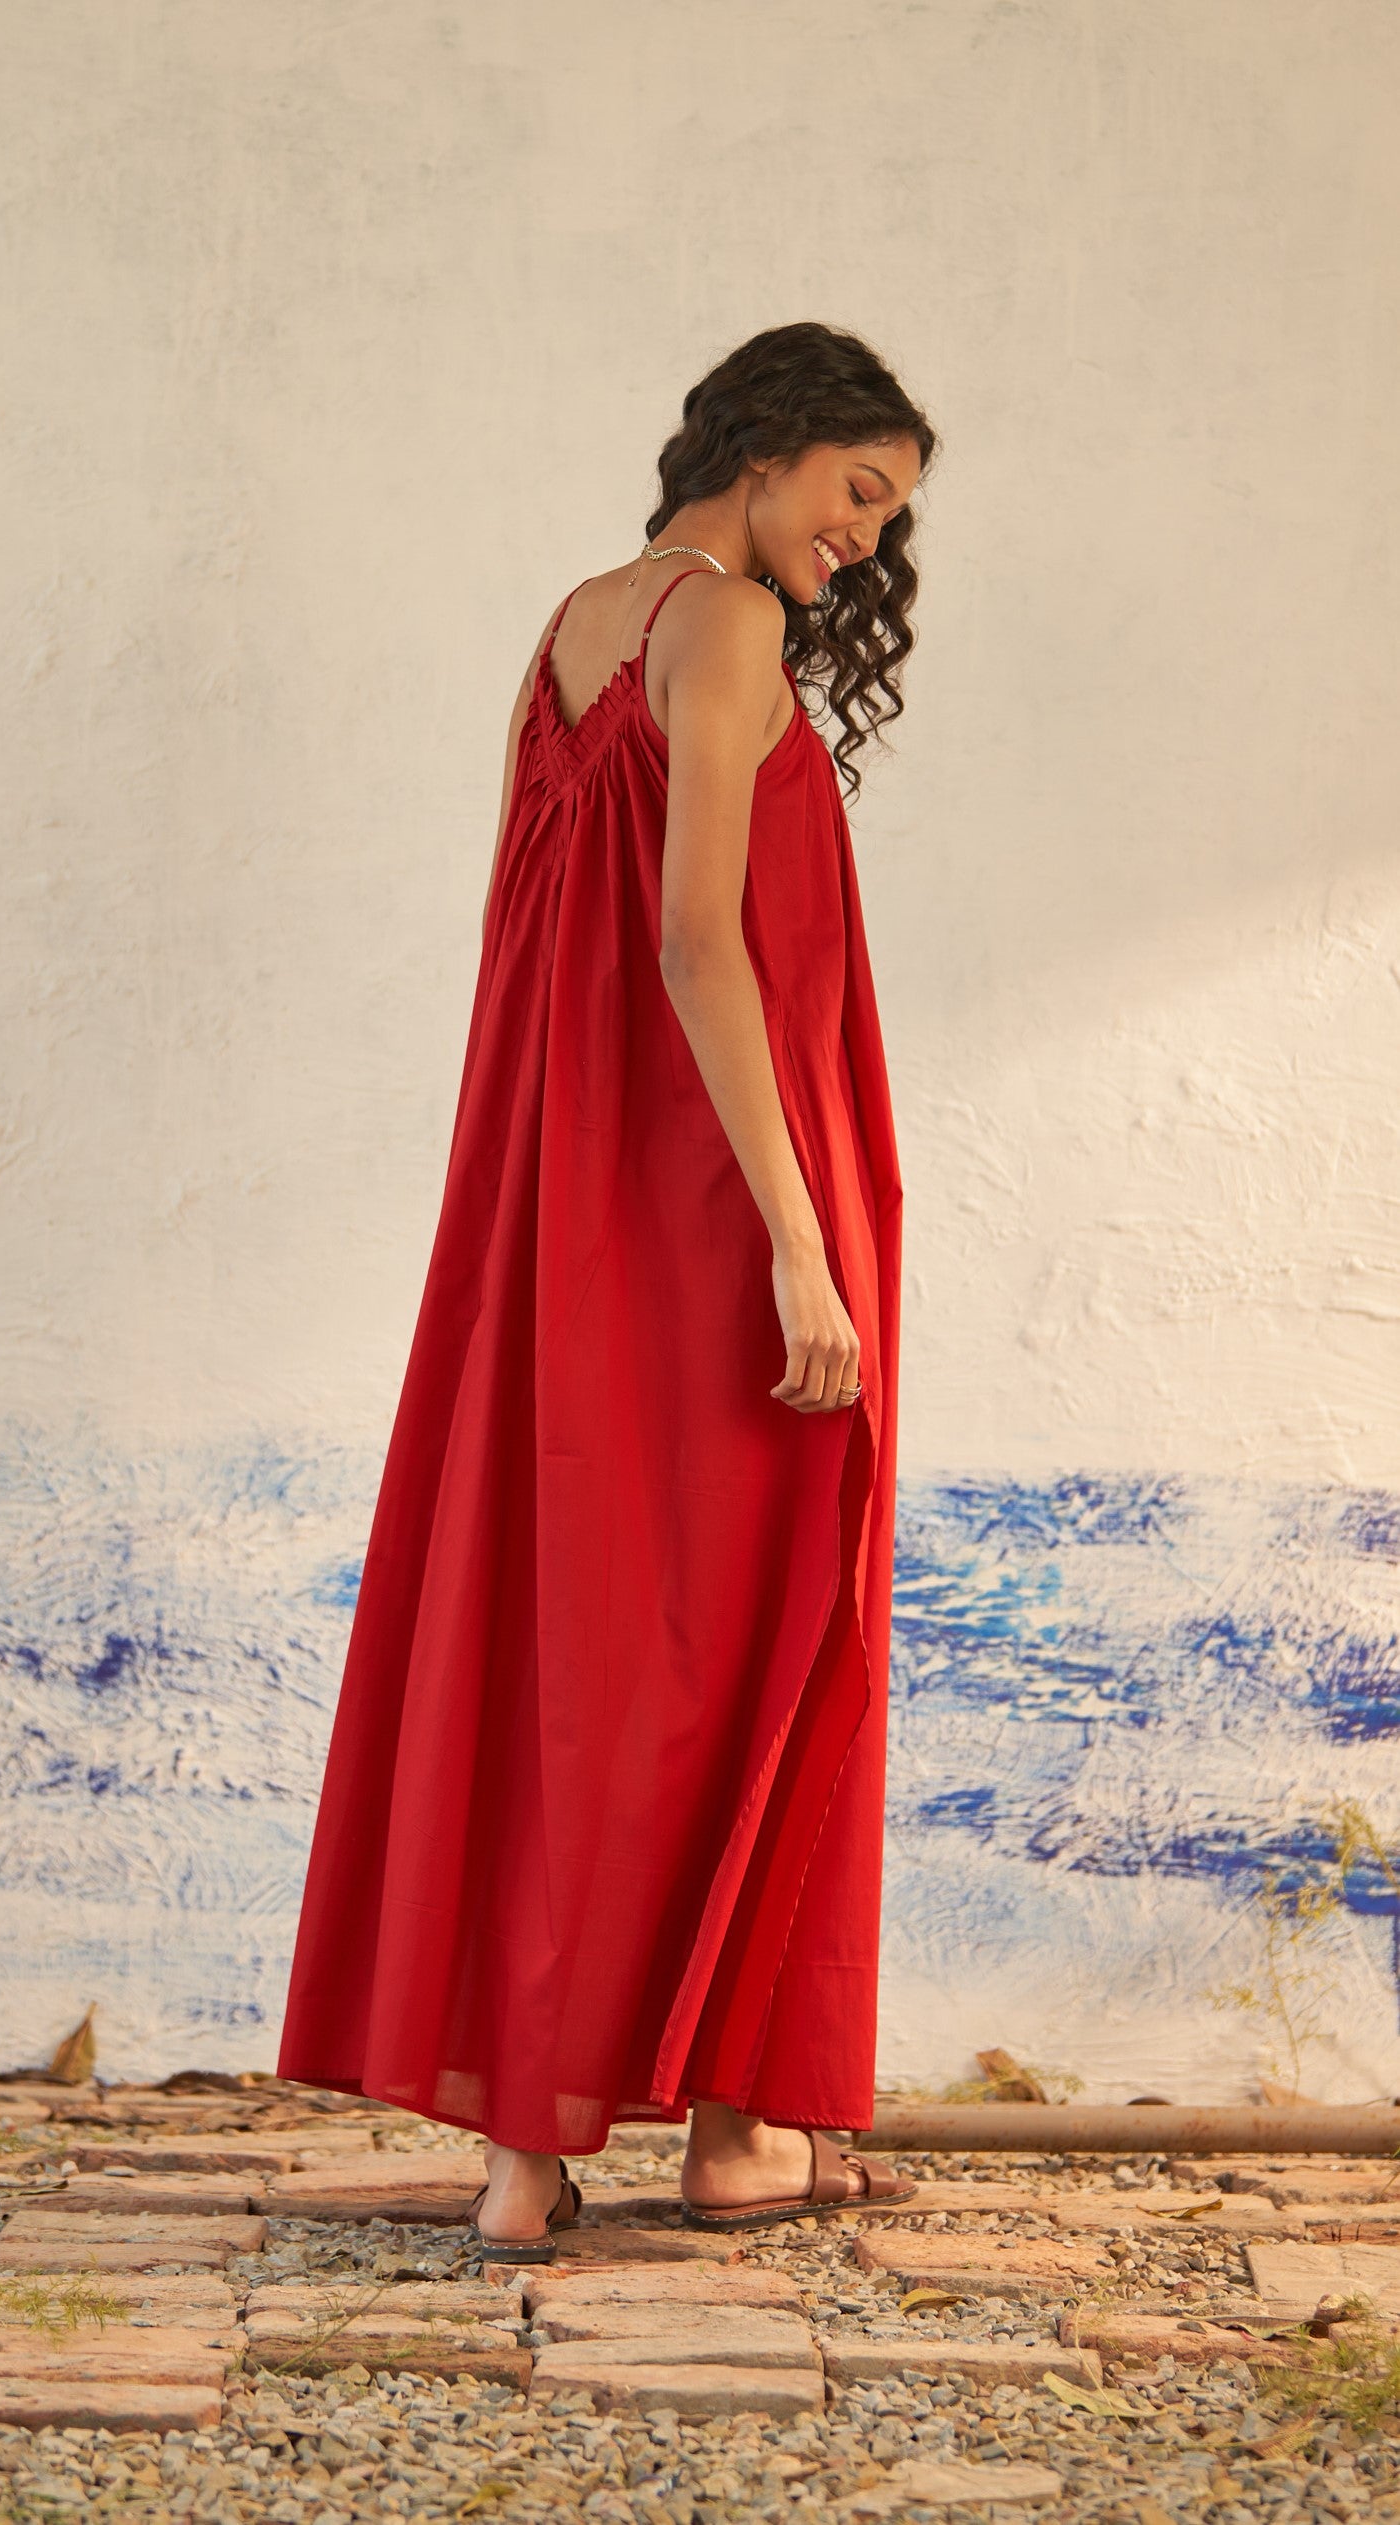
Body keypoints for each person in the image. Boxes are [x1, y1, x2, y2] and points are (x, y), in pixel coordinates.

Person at [278, 321, 937, 2258]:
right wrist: (800, 1241)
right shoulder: (721, 620)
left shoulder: (576, 624)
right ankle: (737, 2130)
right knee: (768, 1628)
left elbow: (546, 954)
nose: (867, 539)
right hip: (715, 1205)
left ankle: (524, 2150)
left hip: (571, 1210)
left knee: (573, 1639)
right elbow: (693, 943)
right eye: (858, 491)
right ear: (768, 446)